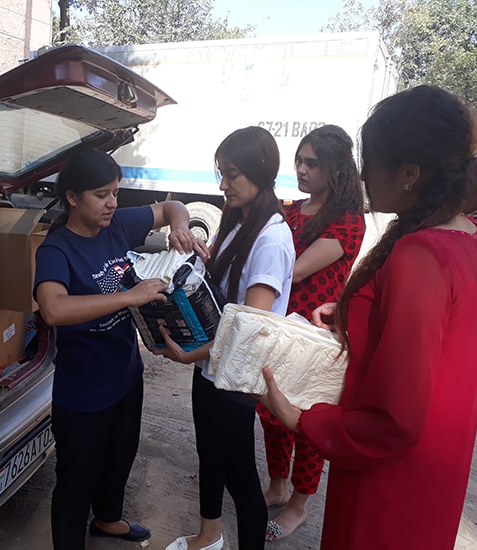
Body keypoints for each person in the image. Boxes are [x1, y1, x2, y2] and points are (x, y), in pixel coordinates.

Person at [258, 85, 477, 549]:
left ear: (409, 172)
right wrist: (355, 317)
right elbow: (442, 340)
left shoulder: (419, 254)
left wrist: (302, 419)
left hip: (387, 477)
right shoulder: (471, 237)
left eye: (371, 162)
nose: (364, 175)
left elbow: (396, 420)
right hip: (435, 469)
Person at [34, 148, 208, 550]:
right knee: (77, 479)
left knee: (120, 455)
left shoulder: (116, 225)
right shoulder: (57, 249)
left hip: (126, 375)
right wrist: (129, 297)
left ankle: (108, 519)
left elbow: (172, 206)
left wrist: (180, 227)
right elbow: (54, 308)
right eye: (101, 194)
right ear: (73, 197)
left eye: (115, 191)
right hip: (84, 392)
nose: (112, 202)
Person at [156, 126, 296, 550]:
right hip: (211, 367)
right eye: (221, 173)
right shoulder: (239, 222)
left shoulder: (271, 237)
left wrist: (188, 355)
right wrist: (200, 257)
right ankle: (208, 535)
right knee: (210, 456)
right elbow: (226, 294)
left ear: (260, 170)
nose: (223, 184)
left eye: (232, 174)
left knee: (240, 477)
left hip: (235, 376)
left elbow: (248, 327)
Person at [256, 125, 365, 542]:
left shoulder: (348, 222)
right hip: (283, 328)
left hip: (317, 338)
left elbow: (295, 269)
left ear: (335, 170)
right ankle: (277, 484)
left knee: (308, 423)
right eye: (299, 161)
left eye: (311, 163)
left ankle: (299, 504)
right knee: (271, 412)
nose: (300, 169)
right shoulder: (292, 210)